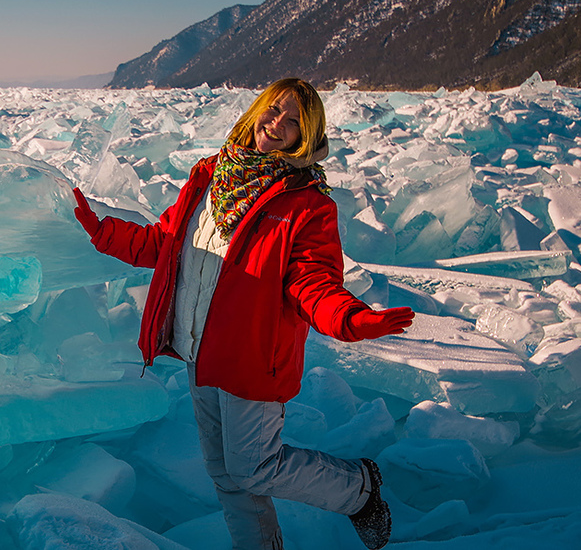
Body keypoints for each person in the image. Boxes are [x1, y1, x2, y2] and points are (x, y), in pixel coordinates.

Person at [72, 77, 412, 550]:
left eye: (293, 121)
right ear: (257, 111)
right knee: (227, 474)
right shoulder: (211, 175)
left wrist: (349, 318)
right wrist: (101, 231)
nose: (278, 125)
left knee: (255, 467)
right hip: (199, 351)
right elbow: (164, 244)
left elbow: (311, 283)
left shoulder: (306, 205)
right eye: (273, 111)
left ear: (306, 137)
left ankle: (359, 488)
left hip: (252, 359)